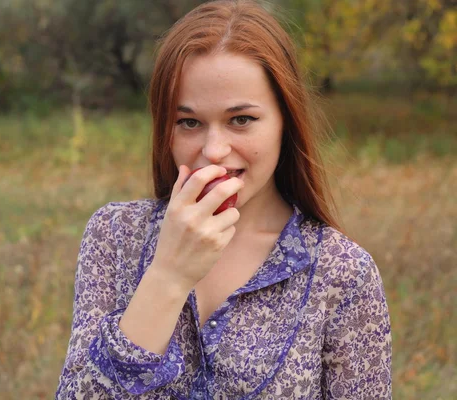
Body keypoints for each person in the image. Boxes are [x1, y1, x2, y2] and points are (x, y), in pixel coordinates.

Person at [55, 0, 392, 398]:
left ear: (285, 121)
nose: (214, 150)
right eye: (190, 122)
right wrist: (168, 276)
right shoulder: (114, 237)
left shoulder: (342, 273)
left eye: (241, 120)